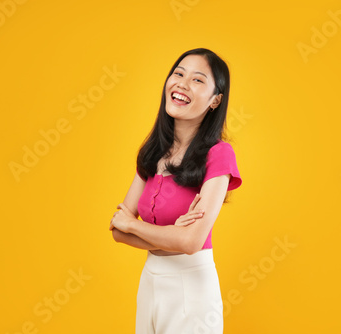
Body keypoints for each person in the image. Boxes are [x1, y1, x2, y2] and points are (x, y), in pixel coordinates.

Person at [109, 48, 242, 334]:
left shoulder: (219, 154)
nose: (182, 83)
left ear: (215, 100)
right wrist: (173, 236)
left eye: (197, 80)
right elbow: (118, 231)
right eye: (179, 73)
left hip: (191, 288)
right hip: (150, 281)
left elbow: (192, 243)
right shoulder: (153, 152)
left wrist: (135, 226)